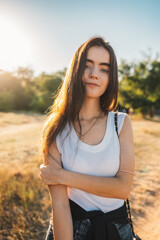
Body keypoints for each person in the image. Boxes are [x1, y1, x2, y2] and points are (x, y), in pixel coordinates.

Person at [40, 36, 135, 240]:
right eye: (87, 66)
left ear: (111, 77)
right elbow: (59, 204)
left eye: (104, 69)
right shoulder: (56, 128)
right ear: (76, 69)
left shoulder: (121, 123)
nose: (94, 74)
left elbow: (123, 188)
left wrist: (63, 176)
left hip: (116, 230)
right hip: (71, 228)